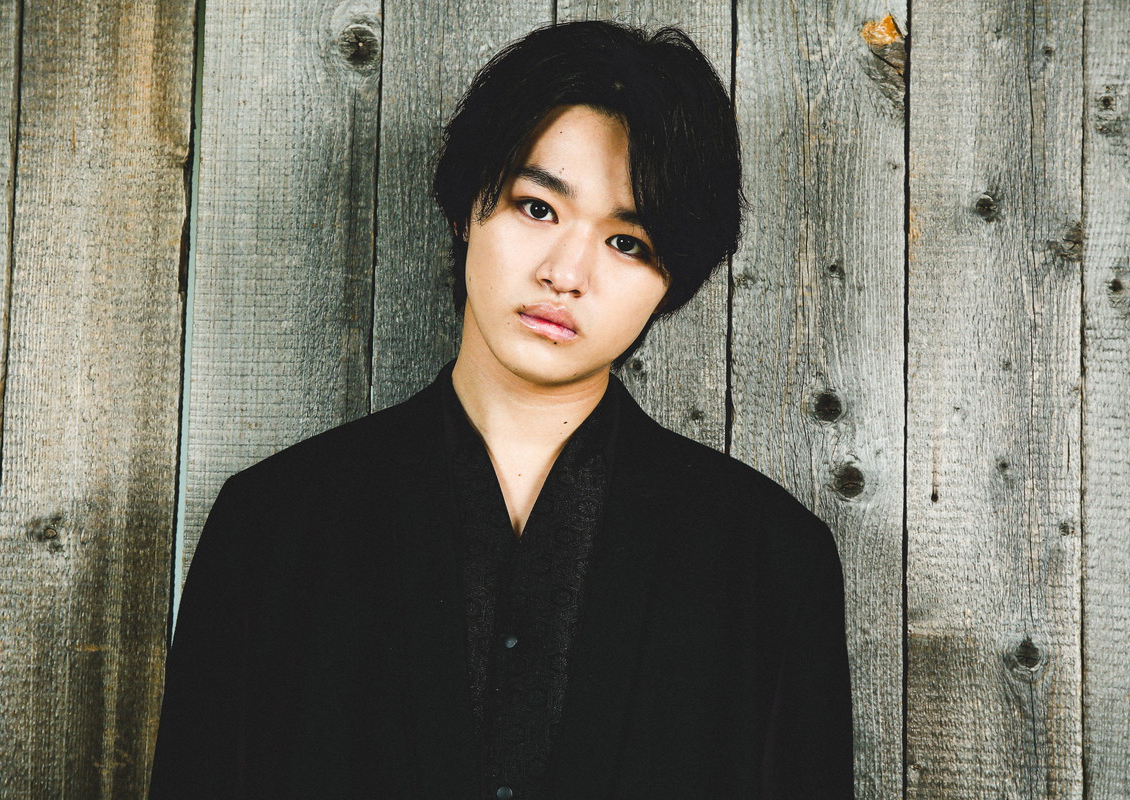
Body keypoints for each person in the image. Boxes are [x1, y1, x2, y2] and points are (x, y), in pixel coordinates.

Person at [149, 19, 853, 800]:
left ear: (670, 280)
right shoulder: (271, 527)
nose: (566, 273)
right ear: (466, 208)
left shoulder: (771, 564)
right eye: (537, 208)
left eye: (627, 243)